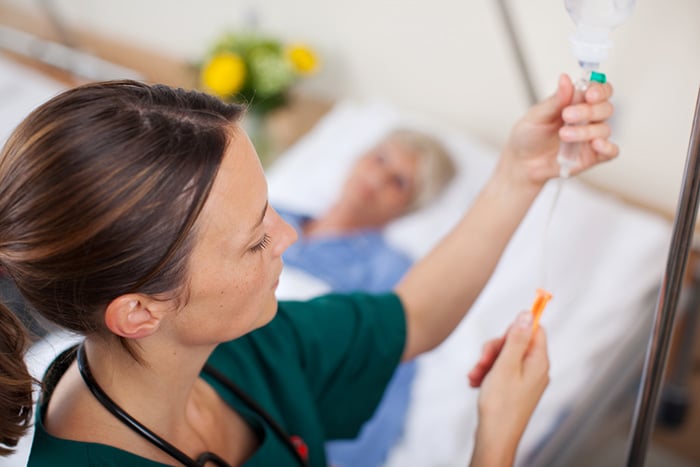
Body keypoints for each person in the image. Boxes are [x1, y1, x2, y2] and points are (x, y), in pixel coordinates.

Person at [0, 73, 616, 466]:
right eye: (253, 241)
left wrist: (520, 170)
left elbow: (412, 318)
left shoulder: (240, 351)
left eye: (271, 208)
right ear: (139, 311)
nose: (289, 236)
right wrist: (497, 439)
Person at [275, 128, 456, 466]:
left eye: (398, 181)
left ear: (409, 206)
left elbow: (385, 378)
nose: (376, 177)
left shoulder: (392, 273)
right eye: (379, 159)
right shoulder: (270, 212)